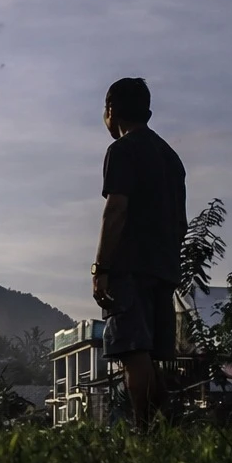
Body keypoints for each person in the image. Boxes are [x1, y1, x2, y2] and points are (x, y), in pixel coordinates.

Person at [92, 77, 188, 431]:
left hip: (129, 268)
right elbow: (181, 222)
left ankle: (145, 432)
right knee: (149, 354)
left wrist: (101, 267)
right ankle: (171, 426)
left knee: (133, 352)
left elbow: (116, 209)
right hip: (163, 268)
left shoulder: (122, 150)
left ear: (111, 110)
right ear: (147, 110)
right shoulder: (171, 158)